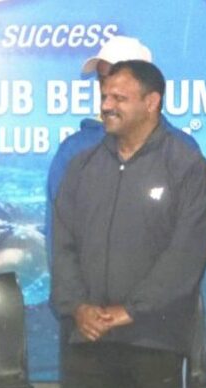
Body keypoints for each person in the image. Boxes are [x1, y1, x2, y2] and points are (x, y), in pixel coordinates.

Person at [51, 60, 206, 388]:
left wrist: (132, 310)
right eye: (104, 96)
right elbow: (62, 245)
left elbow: (188, 253)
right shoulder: (82, 167)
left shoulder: (187, 167)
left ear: (151, 102)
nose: (107, 105)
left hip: (155, 340)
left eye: (119, 98)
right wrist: (78, 307)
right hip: (89, 338)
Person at [45, 36, 152, 260]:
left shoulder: (180, 149)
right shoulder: (74, 150)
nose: (108, 87)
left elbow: (191, 239)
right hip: (91, 282)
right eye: (102, 78)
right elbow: (59, 237)